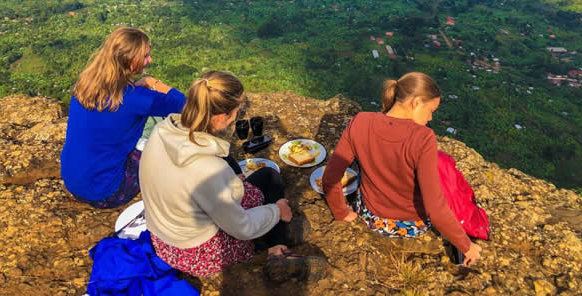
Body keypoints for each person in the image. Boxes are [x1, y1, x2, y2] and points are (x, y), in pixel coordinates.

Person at [139, 70, 326, 281]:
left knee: (264, 177)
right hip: (197, 252)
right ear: (222, 117)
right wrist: (277, 210)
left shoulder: (162, 130)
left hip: (164, 240)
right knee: (270, 179)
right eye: (238, 110)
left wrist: (232, 182)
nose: (239, 115)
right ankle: (277, 250)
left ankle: (276, 237)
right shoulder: (206, 168)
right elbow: (241, 228)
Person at [322, 72, 482, 266]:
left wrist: (341, 212)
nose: (431, 118)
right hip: (410, 225)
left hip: (370, 216)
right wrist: (466, 246)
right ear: (416, 103)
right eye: (431, 110)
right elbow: (436, 207)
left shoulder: (360, 121)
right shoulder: (423, 138)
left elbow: (330, 176)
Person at [61, 27, 186, 209]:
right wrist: (153, 83)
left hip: (73, 182)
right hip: (108, 192)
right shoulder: (137, 98)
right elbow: (183, 104)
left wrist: (136, 86)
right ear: (130, 60)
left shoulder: (84, 85)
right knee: (169, 126)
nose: (149, 60)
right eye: (145, 56)